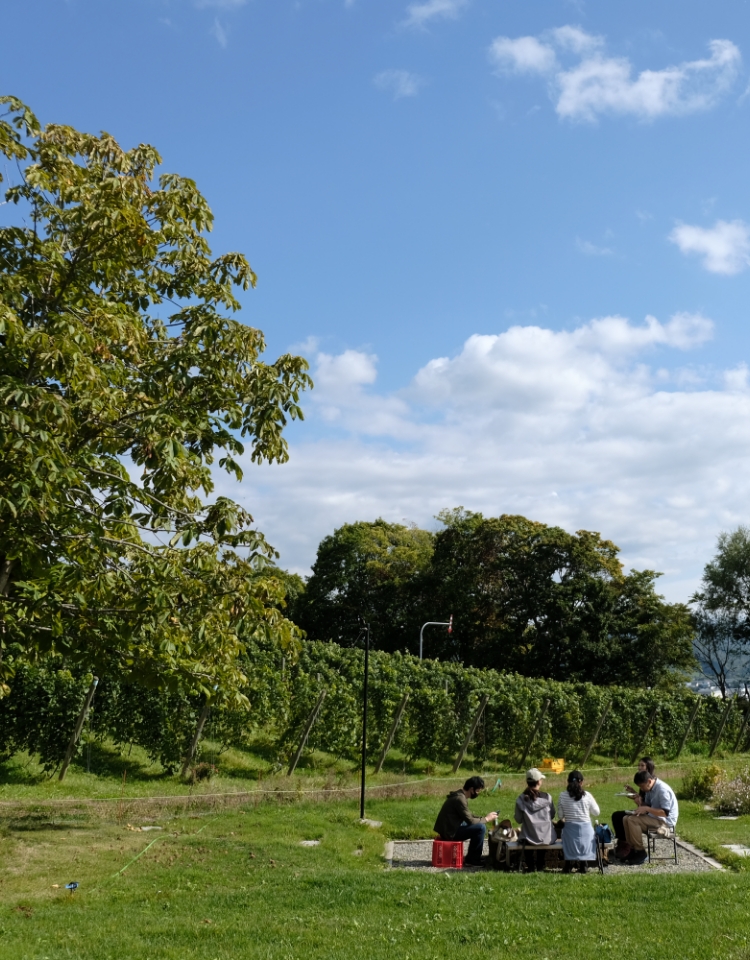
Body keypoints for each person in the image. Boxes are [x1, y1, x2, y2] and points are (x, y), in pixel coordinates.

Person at [615, 770, 679, 866]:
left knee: (632, 820)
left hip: (666, 822)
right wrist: (640, 803)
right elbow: (648, 805)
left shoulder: (662, 790)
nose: (641, 789)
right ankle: (632, 850)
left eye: (642, 786)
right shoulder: (650, 788)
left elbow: (665, 812)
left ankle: (640, 852)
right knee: (625, 818)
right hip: (655, 818)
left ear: (649, 781)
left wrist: (646, 809)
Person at [434, 776, 498, 867]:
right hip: (449, 833)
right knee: (480, 828)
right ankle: (472, 860)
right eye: (477, 790)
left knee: (479, 824)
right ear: (471, 789)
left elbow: (468, 816)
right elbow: (470, 820)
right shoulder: (460, 799)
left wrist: (484, 818)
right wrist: (486, 819)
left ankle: (473, 857)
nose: (478, 793)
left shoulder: (460, 796)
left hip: (449, 828)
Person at [557, 769, 600, 873]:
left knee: (566, 835)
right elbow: (596, 812)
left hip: (570, 831)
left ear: (568, 781)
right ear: (582, 782)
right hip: (586, 832)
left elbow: (560, 815)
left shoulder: (562, 795)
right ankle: (583, 864)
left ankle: (568, 864)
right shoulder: (587, 795)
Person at [514, 768, 556, 872]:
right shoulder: (548, 797)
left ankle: (531, 866)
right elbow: (552, 815)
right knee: (543, 834)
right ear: (539, 782)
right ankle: (541, 865)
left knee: (526, 835)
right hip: (546, 838)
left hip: (528, 839)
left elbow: (518, 820)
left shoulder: (520, 799)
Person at [612, 757, 656, 853]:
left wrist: (639, 801)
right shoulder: (643, 780)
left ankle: (630, 847)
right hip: (645, 810)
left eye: (642, 765)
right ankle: (624, 844)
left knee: (622, 817)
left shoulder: (650, 783)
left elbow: (649, 804)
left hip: (651, 815)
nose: (639, 767)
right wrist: (633, 792)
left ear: (649, 767)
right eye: (638, 765)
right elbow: (643, 798)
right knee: (617, 815)